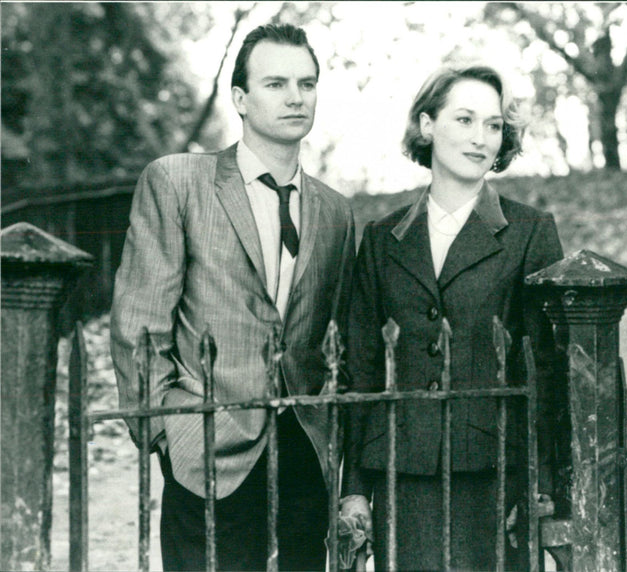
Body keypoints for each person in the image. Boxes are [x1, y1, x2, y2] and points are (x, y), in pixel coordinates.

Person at [110, 23, 355, 571]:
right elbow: (140, 321)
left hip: (304, 450)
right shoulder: (178, 181)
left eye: (307, 83)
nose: (295, 96)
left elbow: (335, 335)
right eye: (275, 83)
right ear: (240, 99)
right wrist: (167, 435)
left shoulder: (336, 212)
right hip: (205, 443)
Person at [340, 63, 567, 570]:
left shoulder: (530, 232)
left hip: (496, 475)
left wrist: (539, 484)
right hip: (401, 474)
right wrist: (353, 488)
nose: (481, 138)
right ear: (426, 125)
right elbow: (361, 368)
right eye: (464, 120)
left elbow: (545, 371)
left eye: (492, 125)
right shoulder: (381, 238)